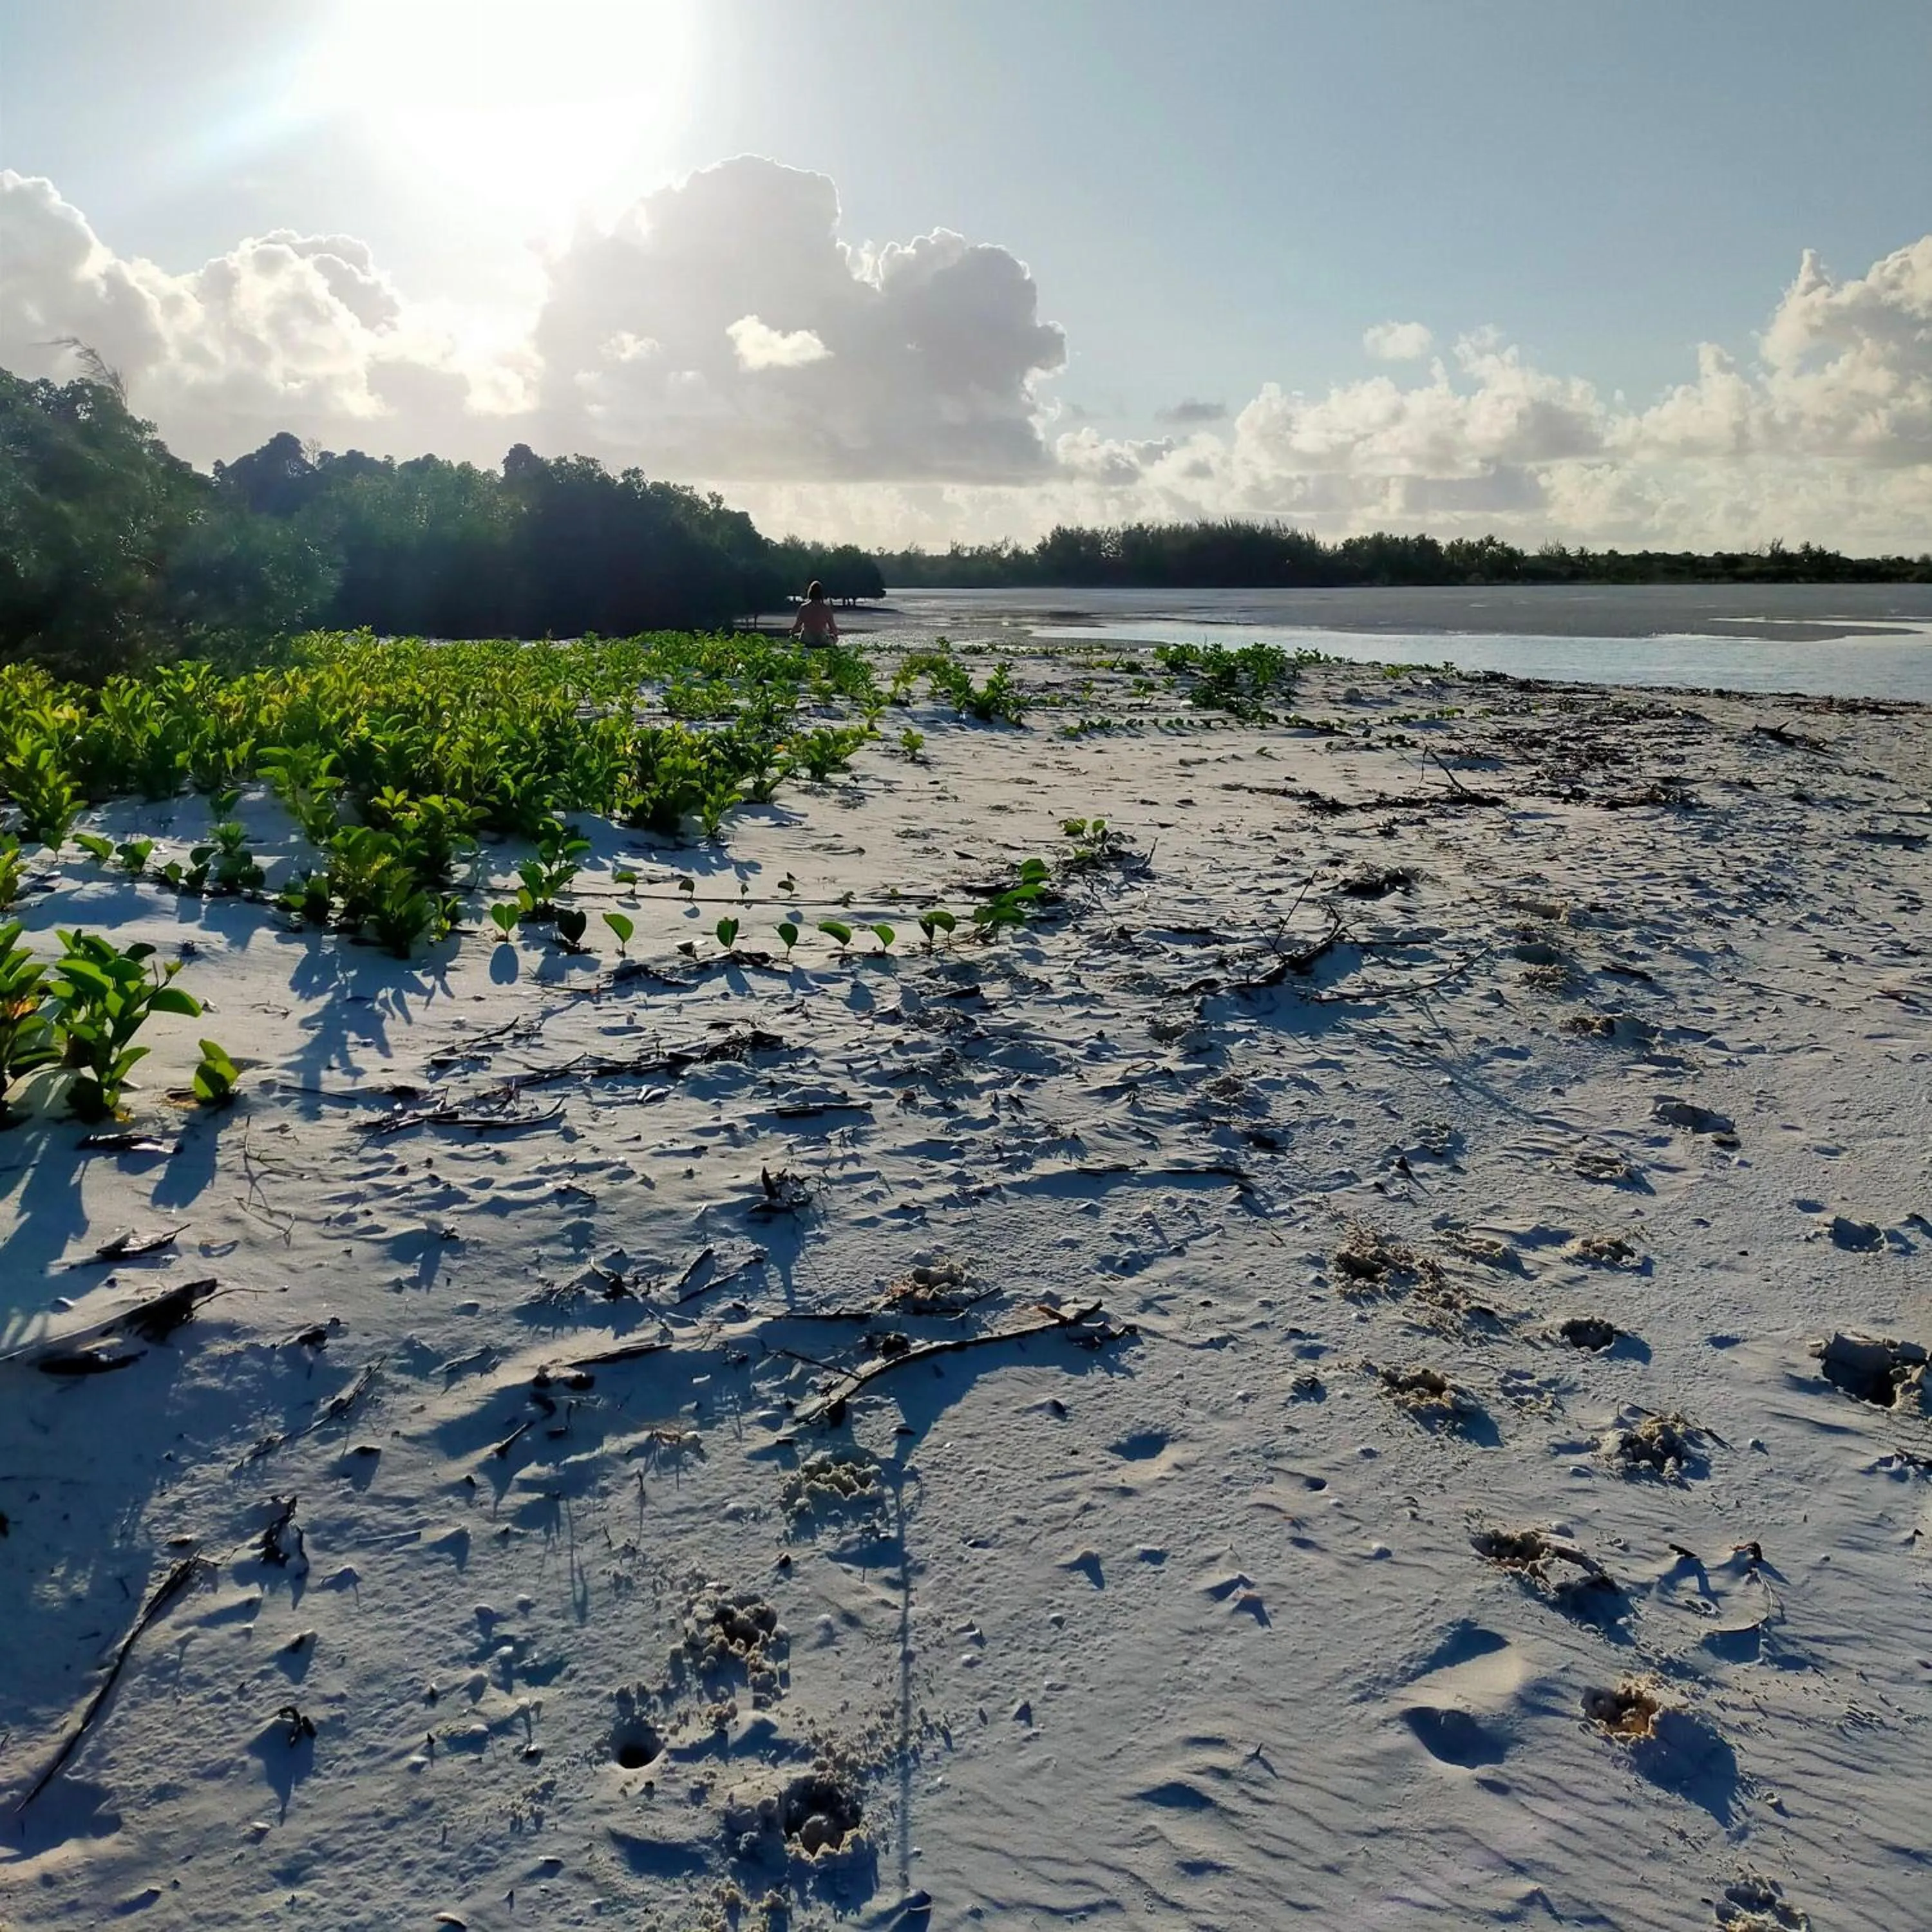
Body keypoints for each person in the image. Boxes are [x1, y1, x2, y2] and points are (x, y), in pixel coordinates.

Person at [790, 580, 839, 647]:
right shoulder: (826, 608)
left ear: (810, 593)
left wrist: (791, 632)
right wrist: (836, 634)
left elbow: (797, 626)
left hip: (807, 639)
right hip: (822, 640)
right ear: (821, 594)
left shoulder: (804, 607)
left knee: (793, 638)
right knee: (835, 638)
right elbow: (833, 628)